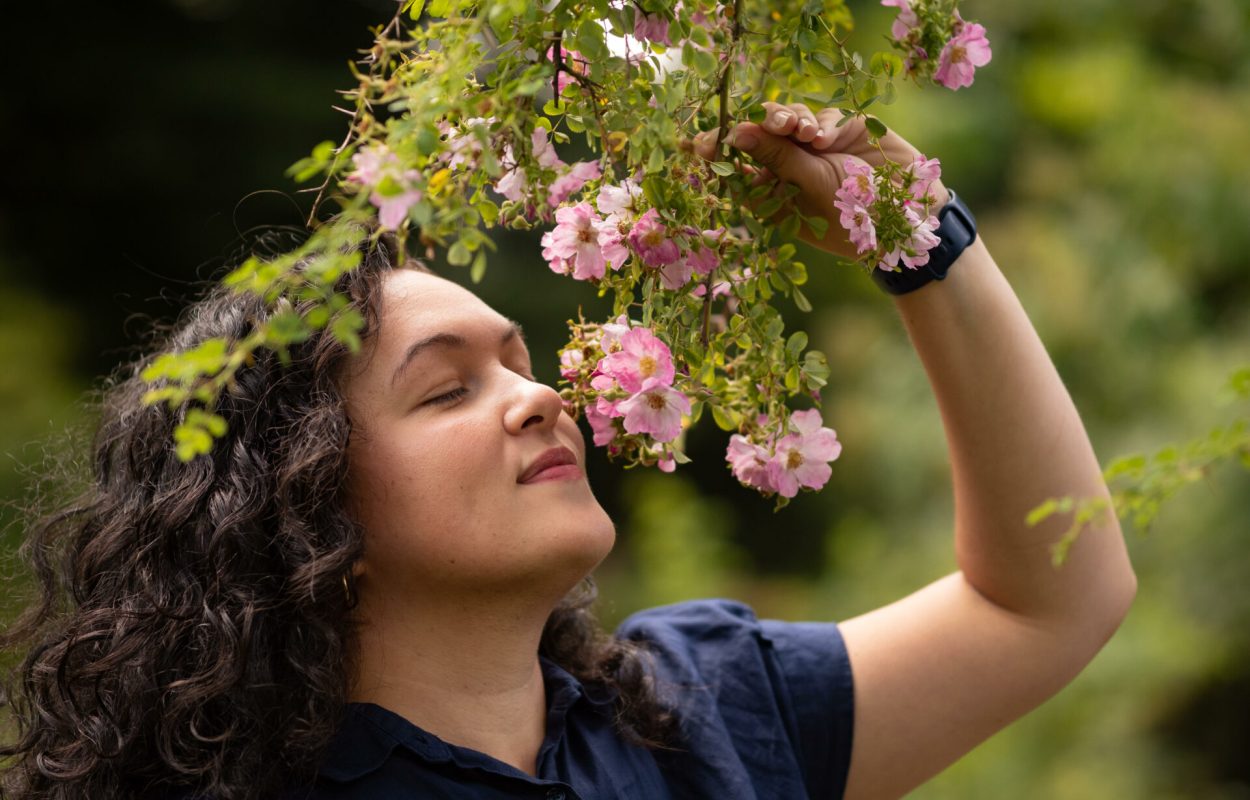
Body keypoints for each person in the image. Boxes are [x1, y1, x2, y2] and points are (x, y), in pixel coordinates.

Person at [0, 102, 1137, 800]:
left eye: (519, 358)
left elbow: (1046, 601)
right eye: (446, 389)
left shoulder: (704, 716)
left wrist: (913, 231)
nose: (541, 394)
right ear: (300, 510)